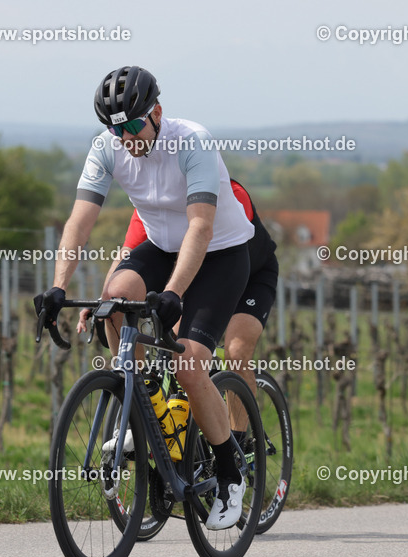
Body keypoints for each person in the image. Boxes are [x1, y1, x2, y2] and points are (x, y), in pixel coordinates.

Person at [37, 65, 254, 530]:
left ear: (156, 113)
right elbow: (79, 223)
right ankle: (142, 409)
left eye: (133, 125)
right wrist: (58, 286)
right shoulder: (108, 148)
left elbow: (201, 225)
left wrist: (175, 292)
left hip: (219, 253)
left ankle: (230, 472)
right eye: (115, 129)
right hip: (159, 245)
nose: (125, 136)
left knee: (190, 362)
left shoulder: (191, 141)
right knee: (114, 299)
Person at [80, 178, 278, 400]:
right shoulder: (154, 206)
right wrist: (104, 299)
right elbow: (127, 254)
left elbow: (222, 261)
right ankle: (149, 410)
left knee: (236, 352)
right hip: (198, 279)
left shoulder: (231, 194)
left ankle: (239, 435)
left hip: (250, 276)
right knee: (176, 344)